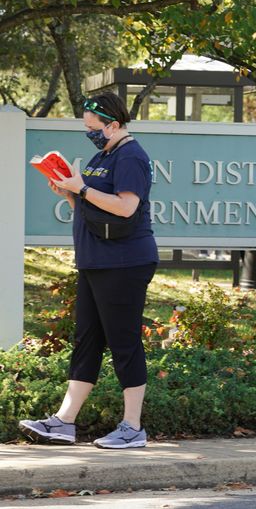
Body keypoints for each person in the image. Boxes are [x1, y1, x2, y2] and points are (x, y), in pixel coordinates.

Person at [19, 92, 158, 448]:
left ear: (114, 124)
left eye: (93, 127)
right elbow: (95, 205)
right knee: (88, 341)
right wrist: (68, 192)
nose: (90, 133)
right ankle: (64, 422)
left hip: (124, 262)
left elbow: (126, 207)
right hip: (96, 259)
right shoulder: (104, 155)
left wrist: (81, 187)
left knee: (123, 342)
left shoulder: (131, 157)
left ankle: (132, 428)